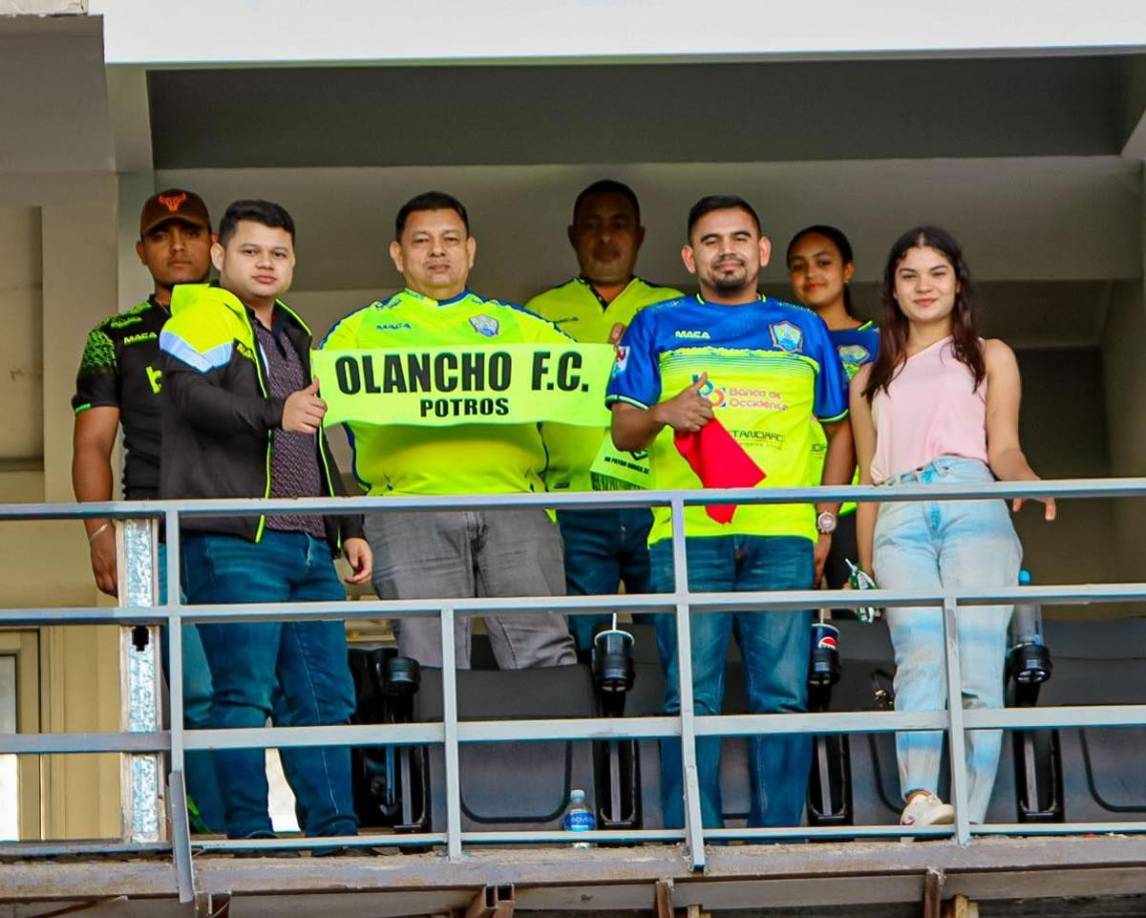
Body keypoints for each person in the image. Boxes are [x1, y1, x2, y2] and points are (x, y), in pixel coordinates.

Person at [607, 195, 853, 830]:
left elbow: (840, 429)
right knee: (690, 694)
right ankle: (696, 834)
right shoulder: (655, 322)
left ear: (761, 251)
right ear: (691, 256)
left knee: (782, 697)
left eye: (740, 238)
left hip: (782, 536)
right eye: (711, 241)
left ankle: (779, 841)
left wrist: (824, 517)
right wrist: (664, 411)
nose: (727, 250)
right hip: (689, 534)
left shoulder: (804, 328)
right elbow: (624, 430)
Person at [159, 199, 371, 843]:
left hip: (310, 545)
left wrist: (349, 523)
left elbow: (320, 437)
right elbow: (189, 397)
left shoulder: (294, 331)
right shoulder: (203, 310)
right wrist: (275, 411)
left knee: (327, 699)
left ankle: (335, 833)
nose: (266, 263)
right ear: (220, 256)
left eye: (279, 252)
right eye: (251, 251)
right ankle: (248, 835)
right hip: (237, 541)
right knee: (243, 695)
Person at [849, 225, 1055, 828]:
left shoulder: (991, 354)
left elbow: (1006, 447)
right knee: (919, 657)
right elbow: (868, 481)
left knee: (976, 665)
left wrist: (1031, 481)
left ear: (957, 282)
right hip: (900, 512)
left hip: (972, 499)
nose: (924, 286)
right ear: (892, 288)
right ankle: (920, 800)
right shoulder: (869, 378)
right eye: (909, 275)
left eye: (936, 272)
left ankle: (968, 813)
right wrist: (863, 569)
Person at [320, 191, 576, 670]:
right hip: (408, 509)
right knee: (428, 660)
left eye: (450, 239)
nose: (437, 250)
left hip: (515, 504)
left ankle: (548, 750)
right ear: (398, 255)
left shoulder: (522, 326)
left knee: (543, 650)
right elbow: (314, 418)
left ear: (471, 250)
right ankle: (438, 753)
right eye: (422, 240)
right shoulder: (356, 332)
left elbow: (587, 382)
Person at [71, 188, 223, 832]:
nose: (177, 245)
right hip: (153, 527)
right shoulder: (114, 337)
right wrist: (102, 534)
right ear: (142, 251)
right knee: (190, 687)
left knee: (252, 685)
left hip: (246, 527)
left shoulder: (248, 319)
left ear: (214, 244)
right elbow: (93, 444)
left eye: (189, 232)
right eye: (162, 235)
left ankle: (243, 823)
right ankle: (203, 824)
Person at [526, 180, 681, 653]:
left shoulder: (673, 308)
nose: (606, 238)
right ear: (573, 235)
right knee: (581, 642)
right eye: (592, 226)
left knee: (670, 639)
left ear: (640, 235)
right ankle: (594, 731)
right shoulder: (538, 315)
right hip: (573, 506)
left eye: (619, 225)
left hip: (659, 503)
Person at [786, 224, 880, 590]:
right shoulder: (781, 341)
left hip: (858, 503)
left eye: (823, 262)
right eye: (798, 265)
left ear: (848, 270)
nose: (811, 273)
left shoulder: (879, 342)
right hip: (790, 501)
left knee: (859, 622)